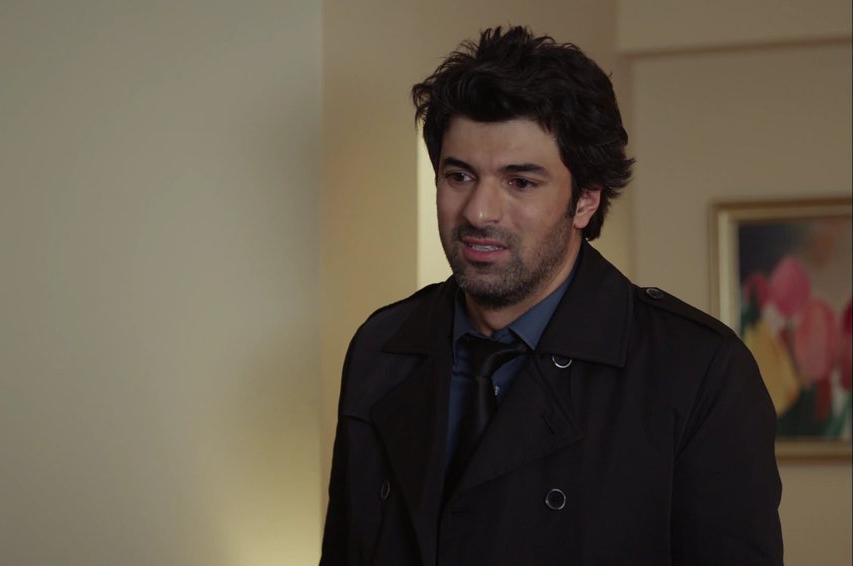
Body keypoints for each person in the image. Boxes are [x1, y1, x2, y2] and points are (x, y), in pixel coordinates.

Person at [320, 26, 782, 565]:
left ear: (585, 201)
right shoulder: (381, 348)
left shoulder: (699, 371)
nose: (479, 212)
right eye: (459, 175)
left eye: (520, 182)